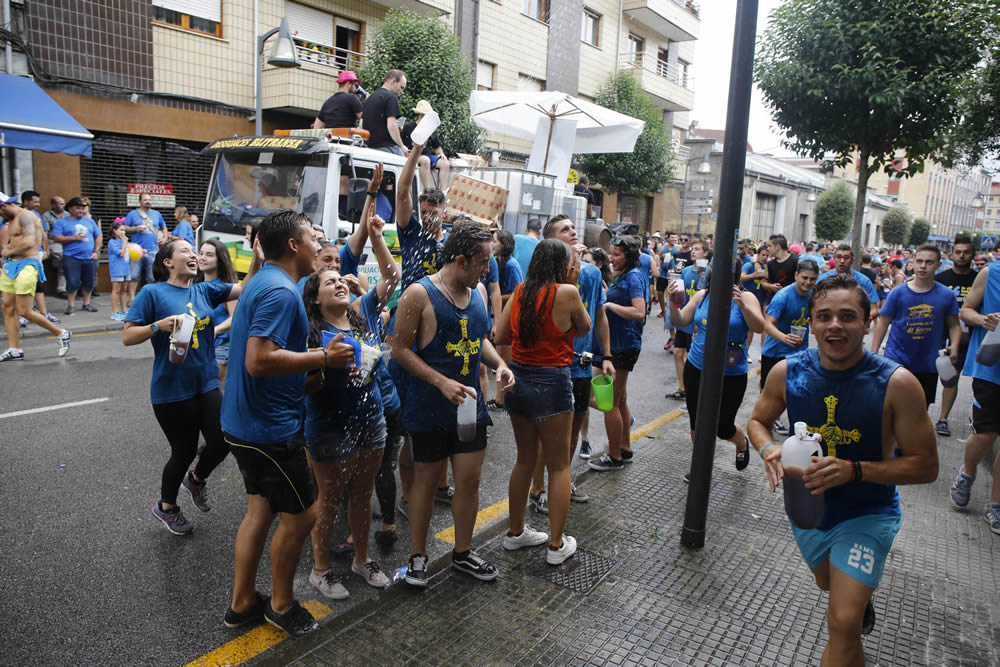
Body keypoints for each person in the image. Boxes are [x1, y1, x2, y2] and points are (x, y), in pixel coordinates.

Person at [748, 273, 938, 663]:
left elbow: (926, 466)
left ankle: (853, 607)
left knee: (844, 621)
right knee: (830, 588)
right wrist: (769, 449)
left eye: (848, 316)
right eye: (825, 316)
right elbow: (756, 422)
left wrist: (855, 471)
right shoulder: (787, 372)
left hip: (868, 512)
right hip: (808, 512)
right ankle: (855, 598)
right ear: (812, 323)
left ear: (868, 322)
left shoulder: (897, 383)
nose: (835, 325)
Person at [220, 210, 356, 637]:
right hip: (269, 432)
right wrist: (324, 358)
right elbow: (258, 360)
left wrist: (314, 375)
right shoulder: (279, 291)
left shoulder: (266, 280)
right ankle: (280, 605)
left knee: (260, 511)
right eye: (314, 238)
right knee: (301, 516)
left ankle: (242, 603)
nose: (321, 246)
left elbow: (272, 363)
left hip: (245, 423)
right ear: (294, 246)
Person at [391, 221, 515, 587]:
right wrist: (439, 380)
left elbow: (478, 341)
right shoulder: (419, 294)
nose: (488, 269)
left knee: (470, 481)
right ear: (460, 260)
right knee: (425, 485)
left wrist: (500, 365)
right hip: (428, 409)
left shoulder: (476, 293)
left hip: (468, 409)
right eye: (482, 262)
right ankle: (417, 556)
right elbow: (398, 350)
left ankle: (462, 553)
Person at [123, 238, 259, 534]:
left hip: (207, 383)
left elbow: (246, 288)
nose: (193, 255)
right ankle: (166, 507)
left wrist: (257, 258)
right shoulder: (152, 293)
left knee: (224, 440)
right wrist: (159, 325)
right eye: (185, 250)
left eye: (194, 251)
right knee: (182, 452)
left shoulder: (205, 290)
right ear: (168, 262)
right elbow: (128, 336)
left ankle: (196, 480)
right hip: (170, 389)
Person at [302, 202, 401, 599]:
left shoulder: (363, 314)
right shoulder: (312, 332)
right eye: (329, 283)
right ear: (315, 299)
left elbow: (393, 276)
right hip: (329, 425)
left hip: (372, 419)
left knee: (363, 493)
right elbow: (300, 385)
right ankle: (321, 569)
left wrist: (376, 236)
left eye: (341, 280)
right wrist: (327, 364)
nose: (340, 283)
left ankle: (362, 559)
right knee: (329, 499)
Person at [496, 238, 590, 564]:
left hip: (519, 380)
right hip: (553, 382)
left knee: (524, 459)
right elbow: (584, 328)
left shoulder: (521, 291)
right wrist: (573, 287)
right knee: (559, 464)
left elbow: (500, 334)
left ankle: (515, 533)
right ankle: (555, 545)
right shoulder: (567, 292)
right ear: (563, 266)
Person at [528, 217, 613, 505]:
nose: (573, 232)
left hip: (581, 365)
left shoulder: (591, 273)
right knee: (545, 432)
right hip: (551, 365)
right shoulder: (542, 278)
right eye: (565, 230)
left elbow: (599, 316)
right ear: (551, 242)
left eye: (573, 228)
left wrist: (608, 355)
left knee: (574, 429)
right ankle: (538, 489)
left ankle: (563, 483)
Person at [668, 262, 764, 475]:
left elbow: (759, 327)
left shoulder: (745, 297)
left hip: (731, 373)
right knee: (697, 422)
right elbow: (682, 320)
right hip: (697, 367)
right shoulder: (702, 295)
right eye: (714, 267)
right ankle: (700, 467)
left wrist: (743, 306)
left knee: (722, 426)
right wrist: (672, 302)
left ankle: (741, 442)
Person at [871, 244, 960, 409]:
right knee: (891, 408)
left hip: (928, 365)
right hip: (896, 362)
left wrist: (954, 346)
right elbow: (882, 323)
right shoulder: (898, 293)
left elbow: (954, 325)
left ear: (938, 265)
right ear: (913, 262)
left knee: (919, 410)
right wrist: (874, 354)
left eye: (929, 262)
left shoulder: (947, 295)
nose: (923, 266)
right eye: (919, 261)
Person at [949, 258, 1000, 534]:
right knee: (986, 434)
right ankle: (967, 472)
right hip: (990, 369)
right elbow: (965, 311)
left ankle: (996, 505)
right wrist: (984, 320)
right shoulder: (991, 272)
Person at [589, 236, 646, 472]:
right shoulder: (623, 274)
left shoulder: (633, 276)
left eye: (616, 255)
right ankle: (624, 447)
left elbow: (639, 312)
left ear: (629, 256)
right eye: (610, 254)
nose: (611, 258)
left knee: (608, 402)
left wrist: (610, 306)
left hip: (623, 346)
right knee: (620, 399)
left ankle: (614, 457)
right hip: (619, 344)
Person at [0, 193, 72, 361]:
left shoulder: (26, 217)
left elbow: (30, 242)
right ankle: (14, 348)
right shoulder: (10, 221)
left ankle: (61, 333)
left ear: (3, 206)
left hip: (27, 265)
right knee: (7, 307)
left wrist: (7, 251)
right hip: (10, 267)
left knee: (24, 310)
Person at [760, 259, 819, 434]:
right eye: (805, 278)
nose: (808, 282)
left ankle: (792, 422)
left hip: (799, 351)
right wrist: (784, 338)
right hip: (775, 352)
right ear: (796, 275)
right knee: (769, 390)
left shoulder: (813, 296)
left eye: (812, 279)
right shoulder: (783, 296)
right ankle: (766, 420)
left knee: (796, 389)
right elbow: (767, 324)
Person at [933, 234, 977, 436]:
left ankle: (942, 418)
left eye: (966, 252)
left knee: (952, 377)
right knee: (932, 374)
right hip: (937, 333)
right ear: (951, 254)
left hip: (967, 335)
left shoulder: (978, 279)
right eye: (958, 252)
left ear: (972, 254)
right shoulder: (940, 279)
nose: (961, 256)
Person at [664, 238, 709, 402]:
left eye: (697, 249)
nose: (693, 251)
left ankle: (693, 389)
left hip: (697, 320)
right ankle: (683, 389)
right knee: (677, 353)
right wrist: (672, 285)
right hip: (684, 316)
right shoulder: (687, 270)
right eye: (692, 249)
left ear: (705, 253)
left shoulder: (708, 271)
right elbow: (680, 291)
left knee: (692, 357)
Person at [196, 239, 239, 386]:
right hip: (198, 346)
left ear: (220, 260)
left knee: (213, 391)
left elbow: (234, 318)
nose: (202, 258)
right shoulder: (195, 285)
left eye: (209, 255)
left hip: (220, 347)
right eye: (201, 253)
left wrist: (214, 330)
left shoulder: (228, 287)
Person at [51, 197, 101, 316]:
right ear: (70, 209)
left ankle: (87, 303)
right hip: (71, 257)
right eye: (78, 208)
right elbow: (56, 237)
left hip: (89, 256)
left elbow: (98, 236)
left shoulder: (90, 221)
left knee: (89, 281)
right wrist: (73, 238)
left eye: (83, 208)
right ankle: (71, 304)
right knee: (72, 281)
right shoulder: (62, 222)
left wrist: (96, 251)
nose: (81, 210)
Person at [20, 190, 59, 325]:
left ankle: (43, 313)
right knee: (25, 285)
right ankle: (24, 313)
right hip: (23, 256)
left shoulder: (37, 215)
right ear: (26, 201)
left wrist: (46, 249)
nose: (38, 204)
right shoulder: (17, 216)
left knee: (37, 284)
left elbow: (43, 234)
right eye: (35, 201)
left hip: (37, 254)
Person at [817, 244, 881, 319]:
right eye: (838, 257)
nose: (842, 261)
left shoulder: (864, 281)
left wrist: (856, 320)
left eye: (846, 258)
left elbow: (874, 310)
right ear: (834, 259)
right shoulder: (823, 279)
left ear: (852, 260)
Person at [401, 100, 451, 191]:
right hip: (411, 154)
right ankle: (427, 190)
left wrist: (441, 154)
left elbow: (437, 147)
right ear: (421, 116)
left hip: (427, 155)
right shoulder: (408, 127)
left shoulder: (430, 129)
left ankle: (443, 192)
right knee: (425, 160)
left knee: (445, 163)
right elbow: (401, 144)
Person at [124, 193, 167, 288]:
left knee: (152, 277)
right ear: (140, 202)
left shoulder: (157, 214)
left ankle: (149, 297)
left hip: (152, 249)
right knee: (134, 276)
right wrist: (135, 229)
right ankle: (132, 299)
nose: (148, 201)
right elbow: (125, 228)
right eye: (145, 200)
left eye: (149, 200)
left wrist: (164, 238)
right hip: (135, 250)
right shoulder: (132, 214)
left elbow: (164, 227)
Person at [362, 69, 407, 155]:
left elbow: (361, 123)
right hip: (387, 148)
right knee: (407, 166)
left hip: (369, 147)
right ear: (393, 81)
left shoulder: (370, 98)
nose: (402, 92)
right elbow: (391, 125)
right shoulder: (391, 98)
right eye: (401, 87)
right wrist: (401, 145)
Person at [42, 195, 68, 298]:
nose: (63, 206)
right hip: (53, 242)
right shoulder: (46, 216)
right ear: (53, 205)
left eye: (64, 204)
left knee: (69, 258)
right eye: (61, 204)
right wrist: (45, 248)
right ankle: (61, 289)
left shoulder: (67, 215)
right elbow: (45, 233)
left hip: (67, 240)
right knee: (63, 257)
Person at [107, 221, 134, 321]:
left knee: (124, 290)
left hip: (125, 268)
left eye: (124, 230)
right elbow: (121, 253)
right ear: (114, 231)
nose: (123, 232)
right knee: (116, 290)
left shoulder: (125, 242)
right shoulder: (112, 242)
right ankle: (115, 312)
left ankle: (123, 310)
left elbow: (131, 251)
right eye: (121, 230)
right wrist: (124, 243)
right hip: (116, 269)